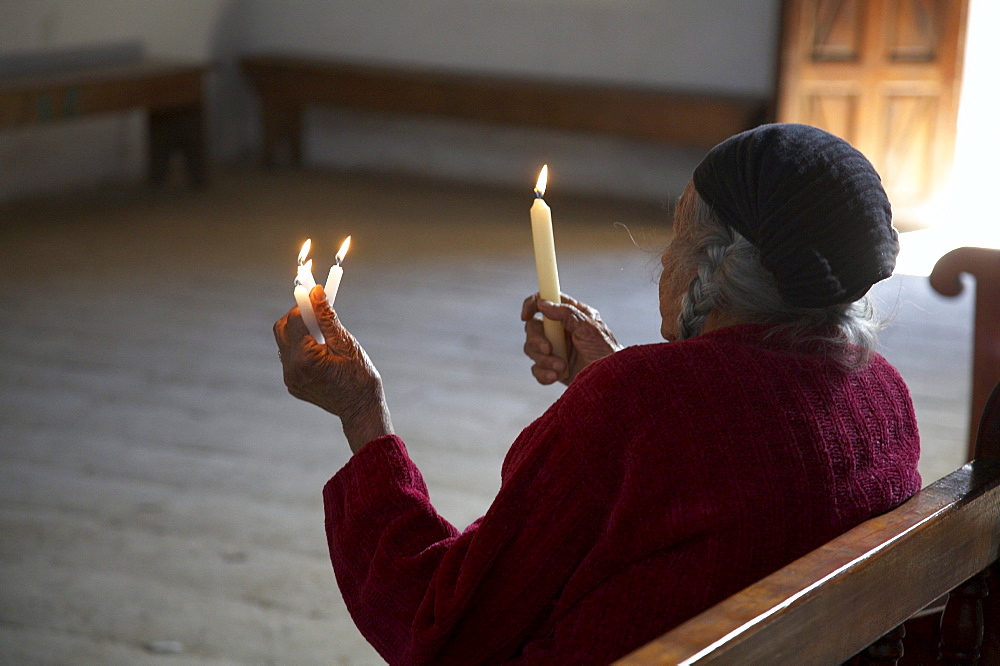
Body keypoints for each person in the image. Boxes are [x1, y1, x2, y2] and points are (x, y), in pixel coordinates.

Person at [273, 123, 920, 664]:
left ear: (713, 269)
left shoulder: (635, 408)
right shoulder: (882, 395)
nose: (664, 261)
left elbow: (443, 629)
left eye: (679, 236)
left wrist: (362, 411)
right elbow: (722, 457)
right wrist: (609, 376)